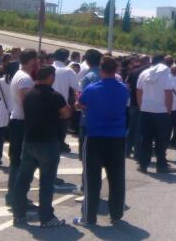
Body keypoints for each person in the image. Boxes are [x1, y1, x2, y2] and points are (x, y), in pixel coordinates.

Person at [74, 56, 130, 226]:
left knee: (92, 179)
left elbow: (79, 104)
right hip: (117, 136)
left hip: (96, 136)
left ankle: (89, 217)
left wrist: (84, 105)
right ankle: (116, 213)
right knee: (117, 177)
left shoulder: (92, 89)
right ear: (116, 70)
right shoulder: (123, 89)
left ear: (102, 70)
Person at [12, 66, 71, 227]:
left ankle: (19, 214)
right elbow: (66, 113)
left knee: (23, 179)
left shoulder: (29, 94)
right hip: (48, 142)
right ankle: (46, 217)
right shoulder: (55, 96)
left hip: (29, 140)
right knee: (47, 182)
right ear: (51, 77)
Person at [6, 49, 38, 206]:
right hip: (21, 123)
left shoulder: (19, 75)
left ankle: (13, 196)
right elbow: (28, 105)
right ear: (31, 60)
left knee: (16, 160)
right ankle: (17, 198)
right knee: (21, 162)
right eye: (36, 60)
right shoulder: (25, 79)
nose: (37, 63)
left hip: (17, 120)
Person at [137, 55, 176, 174]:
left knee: (146, 139)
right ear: (163, 62)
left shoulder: (144, 73)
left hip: (146, 110)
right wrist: (169, 110)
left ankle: (143, 164)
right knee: (161, 140)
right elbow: (168, 93)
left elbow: (139, 91)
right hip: (161, 112)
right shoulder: (166, 74)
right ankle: (161, 165)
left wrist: (141, 106)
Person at [51, 48, 80, 154]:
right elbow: (77, 87)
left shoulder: (48, 68)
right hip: (62, 104)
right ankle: (60, 144)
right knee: (62, 126)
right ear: (66, 58)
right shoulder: (68, 71)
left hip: (47, 102)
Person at [0, 61, 18, 167]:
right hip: (15, 110)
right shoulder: (17, 81)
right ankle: (12, 157)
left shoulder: (0, 81)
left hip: (2, 109)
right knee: (14, 137)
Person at [125, 55, 150, 159]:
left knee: (131, 127)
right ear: (148, 61)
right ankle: (137, 153)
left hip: (133, 103)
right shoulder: (149, 73)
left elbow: (127, 86)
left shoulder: (133, 72)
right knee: (140, 130)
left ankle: (127, 150)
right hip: (144, 103)